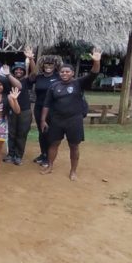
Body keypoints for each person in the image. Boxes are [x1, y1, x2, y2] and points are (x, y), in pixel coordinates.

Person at [40, 48, 101, 181]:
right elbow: (47, 104)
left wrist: (96, 62)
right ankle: (49, 166)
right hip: (56, 120)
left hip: (74, 120)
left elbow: (93, 74)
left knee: (74, 146)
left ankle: (73, 171)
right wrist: (43, 120)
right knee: (53, 144)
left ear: (72, 73)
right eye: (62, 72)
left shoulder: (78, 83)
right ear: (59, 73)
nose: (64, 73)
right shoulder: (54, 86)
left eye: (67, 71)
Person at [29, 54, 62, 167]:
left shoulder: (58, 77)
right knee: (41, 132)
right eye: (46, 65)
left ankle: (49, 157)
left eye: (51, 65)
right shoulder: (39, 77)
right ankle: (43, 154)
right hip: (39, 107)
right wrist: (31, 59)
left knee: (50, 132)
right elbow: (33, 74)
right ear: (42, 66)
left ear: (54, 66)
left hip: (53, 109)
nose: (48, 66)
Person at [5, 47, 35, 165]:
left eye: (21, 70)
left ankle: (18, 155)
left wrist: (31, 59)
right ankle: (10, 154)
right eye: (16, 69)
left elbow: (34, 72)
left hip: (25, 111)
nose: (18, 71)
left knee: (22, 134)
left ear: (23, 71)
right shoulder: (9, 80)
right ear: (13, 70)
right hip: (12, 110)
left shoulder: (27, 81)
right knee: (11, 133)